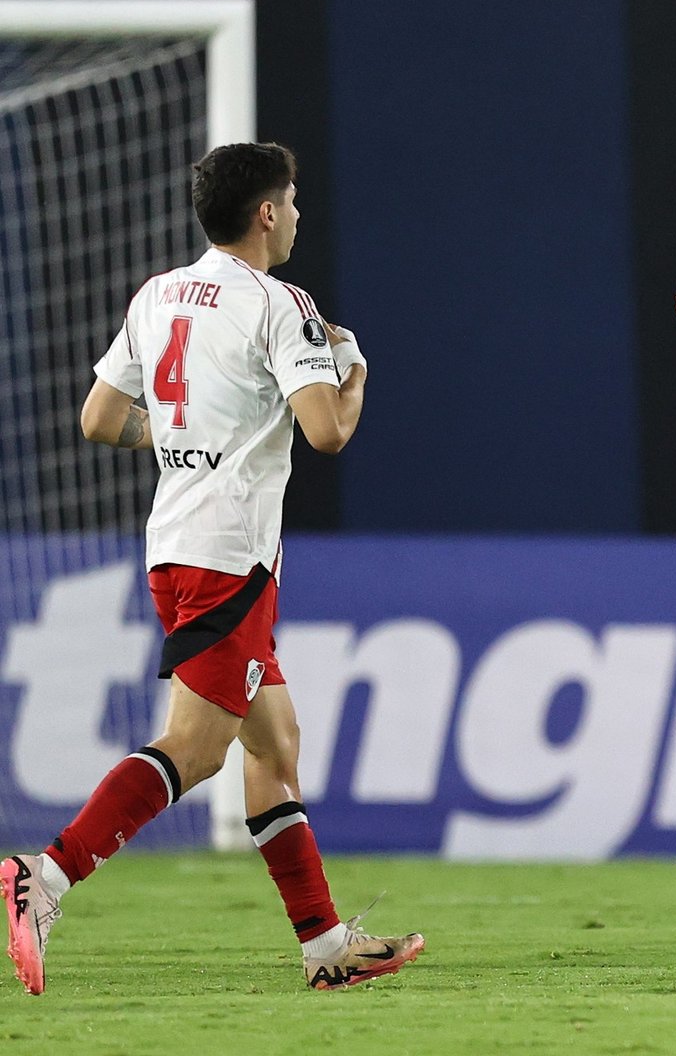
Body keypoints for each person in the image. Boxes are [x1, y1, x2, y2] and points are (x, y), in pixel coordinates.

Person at [2, 142, 424, 994]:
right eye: (293, 200)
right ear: (266, 213)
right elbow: (327, 432)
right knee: (194, 752)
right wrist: (356, 374)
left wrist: (190, 441)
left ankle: (325, 946)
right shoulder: (281, 305)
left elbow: (99, 418)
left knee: (276, 743)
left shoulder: (157, 295)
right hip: (228, 558)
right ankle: (41, 877)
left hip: (176, 545)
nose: (299, 213)